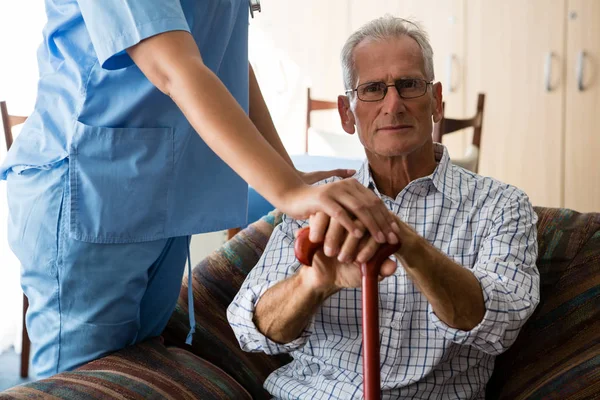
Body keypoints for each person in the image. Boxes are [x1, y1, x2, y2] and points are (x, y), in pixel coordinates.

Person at [0, 0, 400, 378]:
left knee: (137, 375)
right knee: (82, 386)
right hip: (89, 192)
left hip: (162, 196)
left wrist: (291, 175)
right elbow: (173, 66)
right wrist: (288, 192)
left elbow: (226, 65)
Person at [228, 16, 540, 399]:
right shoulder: (319, 202)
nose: (393, 105)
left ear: (436, 102)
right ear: (347, 114)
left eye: (409, 85)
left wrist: (405, 240)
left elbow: (501, 325)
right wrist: (313, 283)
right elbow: (252, 327)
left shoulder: (501, 205)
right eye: (373, 89)